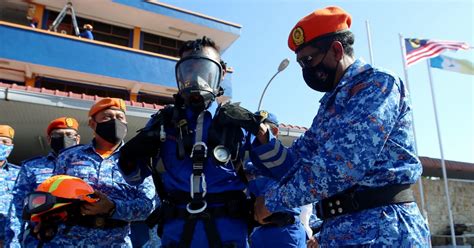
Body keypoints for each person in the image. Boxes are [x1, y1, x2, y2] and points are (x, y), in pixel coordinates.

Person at [218, 6, 431, 247]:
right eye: (301, 64)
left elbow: (342, 166)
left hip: (384, 229)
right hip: (339, 230)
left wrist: (272, 201)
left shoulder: (376, 85)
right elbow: (296, 162)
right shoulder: (330, 105)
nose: (305, 70)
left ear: (337, 50)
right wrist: (262, 135)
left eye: (308, 60)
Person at [118, 37, 251, 248]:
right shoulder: (162, 123)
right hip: (177, 233)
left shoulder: (237, 122)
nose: (197, 79)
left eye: (204, 70)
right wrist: (128, 159)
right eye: (189, 70)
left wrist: (263, 136)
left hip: (228, 233)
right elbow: (134, 178)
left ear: (220, 74)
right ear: (180, 75)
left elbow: (271, 172)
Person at [48, 98, 155, 247]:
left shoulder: (137, 161)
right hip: (68, 240)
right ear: (92, 124)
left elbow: (148, 206)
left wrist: (112, 207)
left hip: (115, 241)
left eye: (120, 117)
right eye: (107, 117)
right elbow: (52, 195)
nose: (115, 121)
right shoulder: (68, 156)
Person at [5, 117, 81, 247]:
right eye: (57, 135)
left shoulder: (86, 167)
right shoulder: (32, 167)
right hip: (40, 239)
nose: (64, 138)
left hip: (80, 238)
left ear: (77, 139)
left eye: (69, 134)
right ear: (49, 139)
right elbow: (19, 207)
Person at [245, 111, 306, 248]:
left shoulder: (286, 158)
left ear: (275, 131)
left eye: (262, 129)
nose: (257, 135)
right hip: (257, 233)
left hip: (284, 232)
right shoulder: (249, 164)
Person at [0, 125, 20, 247]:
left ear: (11, 146)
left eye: (5, 142)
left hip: (11, 238)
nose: (1, 144)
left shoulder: (19, 173)